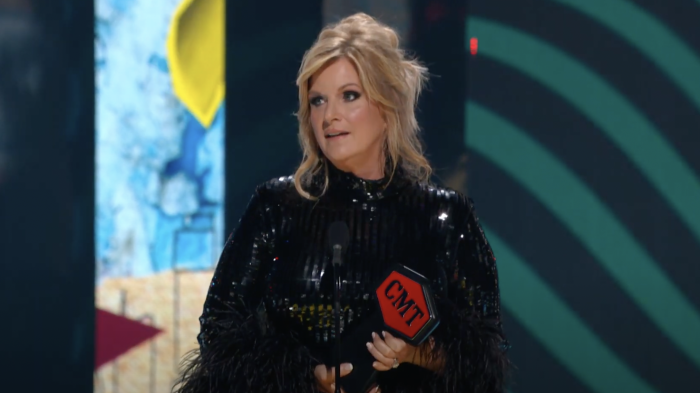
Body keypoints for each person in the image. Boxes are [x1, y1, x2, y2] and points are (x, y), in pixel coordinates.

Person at [174, 13, 510, 393]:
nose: (329, 116)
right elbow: (218, 333)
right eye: (317, 101)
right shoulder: (276, 207)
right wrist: (304, 380)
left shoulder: (445, 218)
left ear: (387, 107)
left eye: (349, 96)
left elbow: (485, 360)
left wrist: (416, 354)